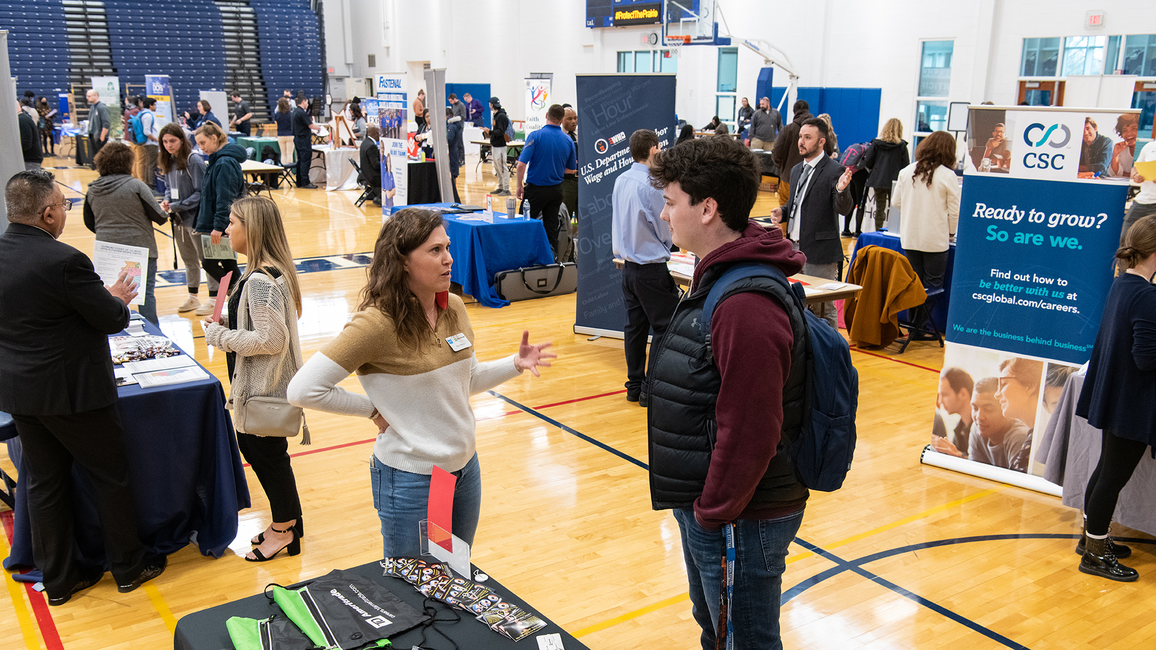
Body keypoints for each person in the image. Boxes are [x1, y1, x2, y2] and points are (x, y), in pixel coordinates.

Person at [287, 208, 555, 558]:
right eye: (435, 251)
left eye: (447, 247)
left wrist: (514, 364)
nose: (449, 259)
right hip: (412, 480)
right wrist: (372, 410)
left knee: (453, 571)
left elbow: (466, 380)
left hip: (463, 470)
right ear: (402, 261)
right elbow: (302, 389)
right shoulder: (375, 324)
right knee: (414, 587)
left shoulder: (454, 307)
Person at [646, 135, 809, 650]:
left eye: (671, 202)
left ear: (708, 207)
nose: (665, 215)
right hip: (715, 504)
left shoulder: (745, 303)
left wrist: (712, 512)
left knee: (744, 639)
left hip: (738, 514)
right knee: (718, 631)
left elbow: (754, 427)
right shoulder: (716, 276)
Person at [0, 170, 167, 606]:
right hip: (74, 394)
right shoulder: (65, 261)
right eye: (64, 206)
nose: (65, 214)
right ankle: (129, 568)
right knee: (109, 477)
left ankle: (59, 580)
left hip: (21, 393)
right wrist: (115, 296)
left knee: (45, 483)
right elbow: (111, 318)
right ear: (48, 212)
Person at [203, 196, 305, 562]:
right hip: (266, 385)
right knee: (271, 457)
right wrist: (230, 325)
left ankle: (284, 530)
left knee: (266, 457)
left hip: (264, 389)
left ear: (253, 229)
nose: (227, 229)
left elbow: (270, 339)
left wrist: (220, 336)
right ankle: (290, 523)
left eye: (233, 222)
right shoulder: (264, 271)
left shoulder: (261, 281)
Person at [1074, 214, 1156, 581]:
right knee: (1112, 476)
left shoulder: (1123, 284)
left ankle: (1092, 538)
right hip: (1132, 401)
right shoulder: (1146, 296)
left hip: (1116, 394)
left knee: (1106, 470)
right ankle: (1094, 554)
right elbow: (1147, 357)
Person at [612, 129, 679, 407]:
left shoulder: (621, 180)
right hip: (651, 267)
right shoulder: (652, 183)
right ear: (653, 149)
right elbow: (663, 222)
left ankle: (634, 384)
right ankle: (650, 389)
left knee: (635, 329)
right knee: (666, 328)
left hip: (628, 267)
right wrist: (671, 241)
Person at [770, 117, 854, 328]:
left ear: (821, 142)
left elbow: (842, 209)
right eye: (800, 137)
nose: (801, 142)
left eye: (808, 138)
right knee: (797, 304)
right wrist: (783, 212)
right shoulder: (797, 169)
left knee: (824, 307)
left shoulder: (834, 170)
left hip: (820, 252)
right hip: (795, 249)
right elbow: (794, 205)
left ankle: (832, 352)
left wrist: (842, 190)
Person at [83, 142, 168, 324]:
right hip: (139, 252)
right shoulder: (135, 185)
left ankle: (117, 334)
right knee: (144, 295)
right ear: (128, 162)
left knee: (112, 294)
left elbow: (89, 222)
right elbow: (160, 217)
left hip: (107, 251)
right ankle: (154, 337)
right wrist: (164, 210)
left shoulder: (93, 189)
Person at [891, 131, 961, 289]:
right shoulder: (948, 175)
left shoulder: (906, 171)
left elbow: (896, 202)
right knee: (932, 286)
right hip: (935, 241)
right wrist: (951, 232)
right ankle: (925, 315)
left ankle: (914, 315)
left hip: (910, 238)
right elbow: (954, 211)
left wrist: (913, 209)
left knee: (912, 285)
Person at [159, 122, 214, 313]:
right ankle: (193, 298)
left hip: (197, 219)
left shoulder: (194, 160)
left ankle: (214, 299)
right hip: (179, 220)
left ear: (182, 140)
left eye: (172, 141)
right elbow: (168, 188)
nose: (168, 145)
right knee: (188, 260)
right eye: (165, 141)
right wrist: (167, 201)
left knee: (206, 259)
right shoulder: (169, 161)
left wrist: (176, 205)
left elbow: (202, 193)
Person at [193, 122, 247, 317]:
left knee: (210, 263)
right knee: (229, 265)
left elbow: (226, 197)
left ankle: (240, 296)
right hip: (220, 224)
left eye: (203, 142)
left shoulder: (224, 162)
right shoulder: (218, 160)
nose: (201, 147)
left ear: (214, 138)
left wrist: (218, 225)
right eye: (198, 143)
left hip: (224, 225)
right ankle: (241, 299)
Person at [516, 103, 577, 261]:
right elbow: (570, 170)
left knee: (523, 225)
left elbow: (521, 164)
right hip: (556, 191)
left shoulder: (535, 136)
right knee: (552, 228)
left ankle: (521, 260)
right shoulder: (568, 140)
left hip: (536, 190)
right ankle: (551, 262)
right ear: (562, 119)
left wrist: (518, 186)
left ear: (546, 115)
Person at [967, 377, 1029, 470]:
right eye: (975, 408)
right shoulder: (977, 428)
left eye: (988, 409)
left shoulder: (1020, 437)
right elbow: (974, 474)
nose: (979, 416)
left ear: (1006, 409)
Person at [862, 118, 910, 230]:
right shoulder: (902, 146)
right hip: (895, 181)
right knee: (895, 208)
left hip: (878, 179)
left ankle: (877, 231)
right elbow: (906, 165)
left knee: (879, 208)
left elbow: (868, 162)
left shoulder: (876, 144)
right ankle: (893, 230)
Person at [996, 357, 1043, 473]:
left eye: (1004, 384)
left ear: (1030, 386)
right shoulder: (1034, 438)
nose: (996, 395)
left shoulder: (1046, 440)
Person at [771, 99, 814, 206]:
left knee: (785, 211)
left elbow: (777, 152)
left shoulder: (788, 129)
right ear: (807, 110)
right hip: (811, 178)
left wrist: (782, 166)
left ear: (794, 112)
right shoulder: (817, 130)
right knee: (805, 211)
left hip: (788, 176)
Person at [1119, 139, 1156, 253]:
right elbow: (1136, 167)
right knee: (1125, 241)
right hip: (1141, 202)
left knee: (1150, 247)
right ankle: (1123, 270)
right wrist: (1135, 175)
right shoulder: (1149, 146)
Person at [931, 367, 974, 458]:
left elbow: (988, 464)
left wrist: (954, 453)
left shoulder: (983, 427)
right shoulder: (960, 428)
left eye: (945, 395)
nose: (940, 401)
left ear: (963, 394)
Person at [482, 97, 511, 195]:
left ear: (493, 104)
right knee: (498, 168)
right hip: (495, 145)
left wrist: (490, 132)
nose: (489, 105)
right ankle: (500, 186)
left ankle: (506, 189)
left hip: (500, 146)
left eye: (490, 104)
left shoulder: (501, 116)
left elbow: (500, 131)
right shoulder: (496, 115)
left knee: (503, 167)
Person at [291, 94, 321, 190]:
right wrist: (319, 128)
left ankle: (299, 181)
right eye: (307, 102)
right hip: (303, 139)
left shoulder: (294, 112)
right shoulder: (302, 113)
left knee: (300, 160)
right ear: (303, 101)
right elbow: (311, 126)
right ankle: (305, 181)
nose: (308, 104)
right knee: (305, 160)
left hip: (297, 138)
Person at [561, 106, 579, 221]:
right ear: (561, 119)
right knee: (565, 215)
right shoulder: (559, 137)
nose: (574, 121)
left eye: (575, 118)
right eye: (569, 119)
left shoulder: (580, 135)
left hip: (582, 180)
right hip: (566, 181)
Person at [1108, 113, 1139, 178]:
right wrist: (1115, 155)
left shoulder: (1147, 148)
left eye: (1134, 129)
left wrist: (1126, 174)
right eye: (1124, 130)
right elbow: (1114, 174)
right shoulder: (1122, 149)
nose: (1129, 133)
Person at [138, 97, 160, 189]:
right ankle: (150, 184)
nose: (155, 106)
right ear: (150, 105)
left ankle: (148, 183)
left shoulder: (143, 114)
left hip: (148, 143)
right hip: (151, 143)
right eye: (154, 104)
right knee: (151, 165)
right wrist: (156, 139)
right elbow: (147, 131)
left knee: (149, 164)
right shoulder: (147, 115)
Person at [360, 124, 383, 205]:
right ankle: (380, 197)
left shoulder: (365, 142)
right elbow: (375, 164)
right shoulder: (371, 146)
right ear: (375, 133)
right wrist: (385, 164)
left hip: (366, 174)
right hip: (372, 177)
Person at [86, 89, 111, 163]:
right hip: (92, 135)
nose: (87, 98)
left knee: (101, 157)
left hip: (99, 136)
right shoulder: (92, 107)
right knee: (95, 156)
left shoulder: (102, 107)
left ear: (96, 96)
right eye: (87, 96)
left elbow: (106, 123)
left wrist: (102, 136)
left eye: (89, 96)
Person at [445, 107, 463, 203]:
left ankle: (453, 194)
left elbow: (449, 139)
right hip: (454, 152)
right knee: (453, 174)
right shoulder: (456, 125)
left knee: (452, 174)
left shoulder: (451, 126)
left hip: (451, 153)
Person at [18, 101, 43, 170]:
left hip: (30, 161)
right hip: (29, 160)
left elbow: (26, 143)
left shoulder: (22, 120)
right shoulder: (24, 117)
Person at [274, 96, 295, 165]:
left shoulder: (277, 114)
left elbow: (276, 123)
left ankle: (284, 170)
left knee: (283, 154)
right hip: (290, 134)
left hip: (280, 135)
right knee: (289, 154)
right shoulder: (291, 114)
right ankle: (289, 170)